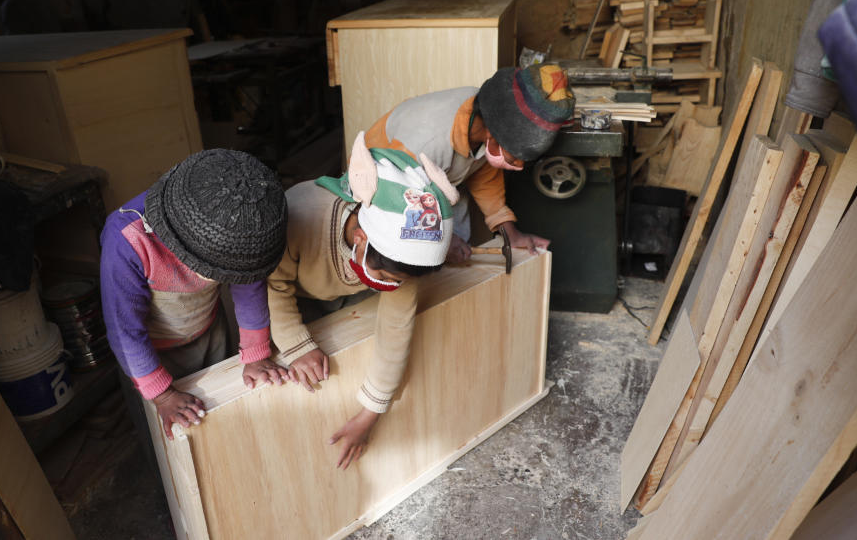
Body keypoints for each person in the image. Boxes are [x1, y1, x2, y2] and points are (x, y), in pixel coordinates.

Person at [266, 132, 458, 469]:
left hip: (338, 295)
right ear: (361, 238)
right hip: (290, 294)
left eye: (396, 282)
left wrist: (370, 414)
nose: (391, 286)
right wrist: (297, 345)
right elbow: (274, 288)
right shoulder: (298, 216)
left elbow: (395, 331)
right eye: (384, 278)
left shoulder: (399, 259)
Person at [100, 149, 289, 447]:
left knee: (225, 425)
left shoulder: (241, 226)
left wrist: (256, 353)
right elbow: (126, 332)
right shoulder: (126, 238)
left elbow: (249, 285)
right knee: (173, 439)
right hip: (149, 354)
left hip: (210, 330)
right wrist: (162, 394)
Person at [363, 63, 575, 262]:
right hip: (383, 189)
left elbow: (485, 177)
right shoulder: (425, 143)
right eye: (515, 155)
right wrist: (440, 241)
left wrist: (510, 233)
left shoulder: (489, 117)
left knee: (454, 257)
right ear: (493, 135)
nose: (518, 164)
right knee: (406, 262)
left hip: (439, 186)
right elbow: (395, 198)